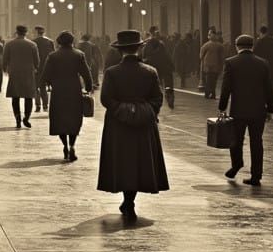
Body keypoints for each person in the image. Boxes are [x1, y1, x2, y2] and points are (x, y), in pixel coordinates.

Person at [97, 30, 169, 223]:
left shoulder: (112, 72)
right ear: (139, 48)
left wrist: (123, 110)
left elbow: (106, 99)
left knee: (122, 161)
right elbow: (157, 98)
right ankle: (130, 201)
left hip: (118, 124)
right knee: (140, 161)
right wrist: (145, 111)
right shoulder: (150, 71)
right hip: (144, 124)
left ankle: (127, 200)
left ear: (120, 50)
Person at [219, 34, 273, 187]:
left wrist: (222, 107)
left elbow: (226, 88)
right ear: (252, 46)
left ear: (237, 46)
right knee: (257, 142)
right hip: (258, 110)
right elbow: (269, 88)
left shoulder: (231, 63)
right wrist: (270, 109)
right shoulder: (263, 63)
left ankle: (237, 165)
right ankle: (256, 176)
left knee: (236, 140)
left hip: (238, 110)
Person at [40, 30, 92, 160]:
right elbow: (86, 74)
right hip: (74, 90)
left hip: (58, 91)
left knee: (59, 119)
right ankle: (72, 145)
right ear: (72, 41)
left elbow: (45, 75)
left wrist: (47, 84)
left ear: (59, 42)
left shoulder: (53, 56)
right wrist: (88, 88)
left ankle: (65, 145)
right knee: (74, 118)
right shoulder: (79, 55)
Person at [3, 25, 40, 129]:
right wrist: (36, 68)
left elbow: (5, 59)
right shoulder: (32, 45)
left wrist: (5, 68)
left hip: (14, 73)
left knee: (15, 97)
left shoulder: (9, 44)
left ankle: (18, 119)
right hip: (28, 73)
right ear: (26, 32)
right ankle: (26, 118)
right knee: (29, 97)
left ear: (17, 32)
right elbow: (37, 61)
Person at [141, 28, 175, 107]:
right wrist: (171, 65)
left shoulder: (147, 44)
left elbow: (143, 56)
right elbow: (167, 55)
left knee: (156, 84)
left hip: (153, 66)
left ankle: (156, 99)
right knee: (168, 83)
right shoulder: (162, 44)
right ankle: (169, 96)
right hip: (164, 66)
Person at [32, 26, 55, 111]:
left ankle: (37, 105)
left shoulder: (33, 42)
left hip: (36, 68)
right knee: (43, 87)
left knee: (36, 87)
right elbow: (53, 55)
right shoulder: (50, 42)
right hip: (47, 67)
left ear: (36, 32)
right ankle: (45, 105)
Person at [200, 31, 226, 99]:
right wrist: (222, 65)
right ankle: (213, 93)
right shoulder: (220, 45)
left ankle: (207, 93)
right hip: (216, 66)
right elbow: (223, 57)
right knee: (214, 80)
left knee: (208, 80)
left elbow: (201, 55)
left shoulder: (206, 45)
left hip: (208, 65)